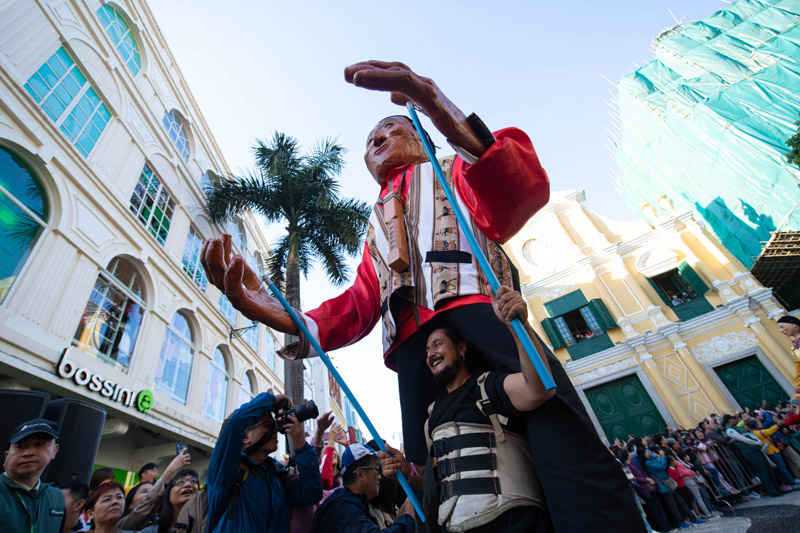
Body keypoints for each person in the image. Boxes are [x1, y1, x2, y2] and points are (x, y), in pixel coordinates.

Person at [201, 60, 642, 532]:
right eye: (371, 140)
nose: (378, 138)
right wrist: (283, 315)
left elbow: (516, 190)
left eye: (391, 126)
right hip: (411, 345)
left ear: (419, 136)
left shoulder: (452, 168)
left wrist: (431, 98)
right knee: (434, 464)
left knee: (553, 428)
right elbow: (359, 304)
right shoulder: (373, 225)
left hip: (479, 314)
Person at [380, 285, 556, 532]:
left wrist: (519, 327)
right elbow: (437, 481)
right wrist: (406, 471)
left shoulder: (489, 386)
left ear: (462, 348)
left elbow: (538, 389)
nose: (431, 354)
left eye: (438, 344)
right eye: (428, 350)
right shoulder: (431, 418)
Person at [206, 392, 322, 532]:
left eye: (274, 425)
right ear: (245, 437)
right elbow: (234, 424)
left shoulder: (276, 475)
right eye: (267, 425)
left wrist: (301, 446)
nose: (275, 431)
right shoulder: (226, 468)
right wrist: (270, 400)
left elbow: (311, 494)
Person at [311, 443, 415, 532]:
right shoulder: (343, 509)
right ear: (360, 474)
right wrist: (408, 518)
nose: (379, 476)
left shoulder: (349, 502)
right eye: (376, 468)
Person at [0, 417, 65, 533]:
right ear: (6, 456)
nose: (29, 452)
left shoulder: (57, 497)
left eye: (39, 444)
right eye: (20, 446)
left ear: (55, 450)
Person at [117, 449, 192, 530]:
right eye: (144, 492)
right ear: (130, 504)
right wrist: (171, 469)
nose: (150, 494)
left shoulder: (164, 526)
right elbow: (150, 501)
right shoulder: (121, 525)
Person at [723, 414, 787, 497]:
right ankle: (771, 490)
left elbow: (749, 435)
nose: (736, 420)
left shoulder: (737, 427)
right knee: (763, 471)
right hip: (749, 451)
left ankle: (777, 488)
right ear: (729, 420)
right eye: (734, 418)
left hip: (756, 449)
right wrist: (756, 443)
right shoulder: (730, 430)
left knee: (768, 469)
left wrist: (758, 443)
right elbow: (743, 439)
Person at [777, 315, 800, 403]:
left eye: (783, 327)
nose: (781, 331)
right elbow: (799, 373)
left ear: (794, 324)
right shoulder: (794, 349)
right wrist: (798, 393)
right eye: (780, 329)